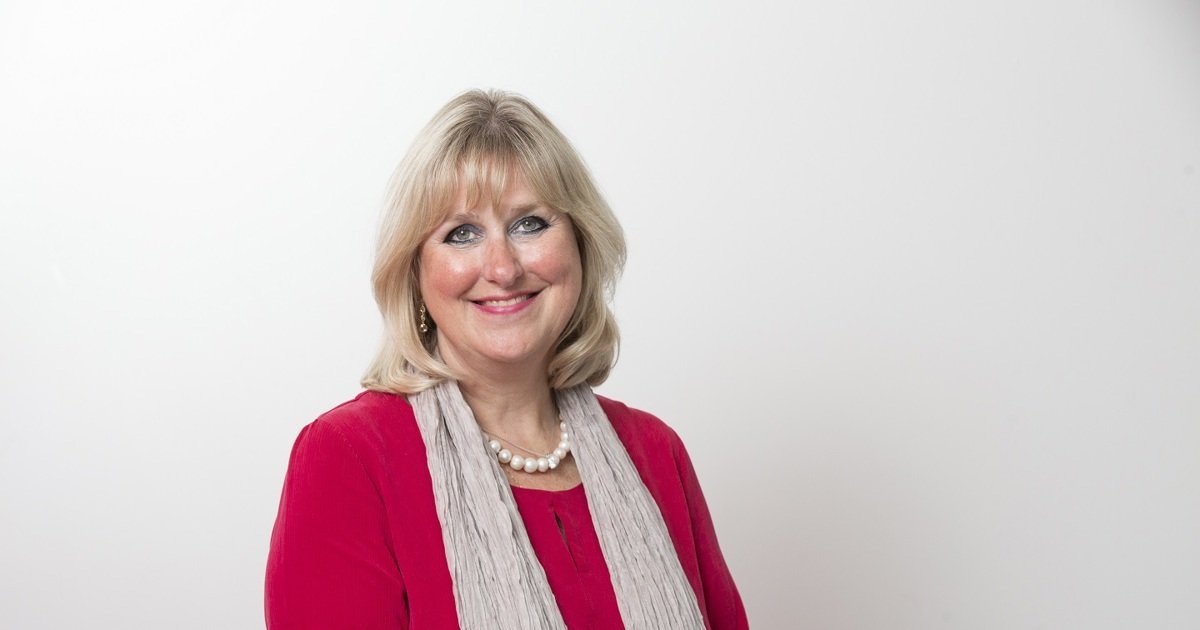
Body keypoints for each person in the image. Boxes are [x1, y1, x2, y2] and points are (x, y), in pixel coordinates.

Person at [265, 89, 748, 629]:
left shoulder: (656, 454)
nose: (502, 268)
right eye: (462, 234)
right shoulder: (348, 459)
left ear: (581, 245)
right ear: (415, 272)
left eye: (530, 224)